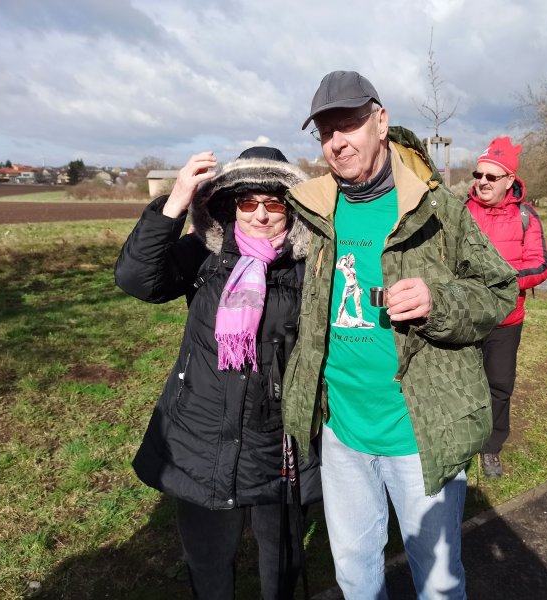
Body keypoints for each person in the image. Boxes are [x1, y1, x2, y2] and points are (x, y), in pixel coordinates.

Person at [281, 70, 519, 599]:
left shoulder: (438, 209)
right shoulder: (315, 211)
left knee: (436, 582)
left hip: (419, 434)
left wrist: (440, 303)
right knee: (354, 575)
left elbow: (500, 290)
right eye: (325, 132)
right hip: (343, 434)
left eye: (348, 125)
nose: (336, 142)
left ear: (381, 121)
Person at [114, 147, 320, 599]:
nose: (262, 215)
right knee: (208, 571)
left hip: (278, 445)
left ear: (293, 208)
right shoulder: (203, 257)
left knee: (280, 569)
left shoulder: (311, 267)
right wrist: (176, 200)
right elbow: (136, 279)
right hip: (201, 441)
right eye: (249, 203)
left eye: (275, 203)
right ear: (230, 207)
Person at [466, 136, 547, 478]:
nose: (482, 182)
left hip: (506, 319)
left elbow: (541, 264)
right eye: (479, 174)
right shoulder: (461, 211)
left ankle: (491, 446)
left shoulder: (526, 216)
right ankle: (462, 440)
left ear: (509, 181)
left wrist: (505, 279)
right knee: (463, 381)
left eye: (491, 176)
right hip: (467, 316)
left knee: (499, 385)